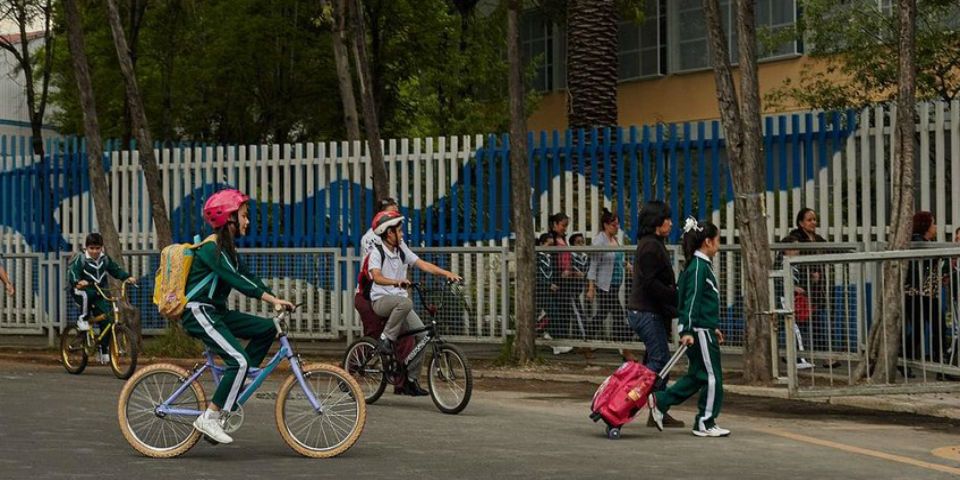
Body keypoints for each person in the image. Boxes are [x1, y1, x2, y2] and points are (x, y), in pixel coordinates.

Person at [182, 189, 296, 445]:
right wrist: (271, 300)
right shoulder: (211, 248)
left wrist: (274, 297)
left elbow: (247, 276)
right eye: (243, 216)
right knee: (239, 359)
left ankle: (236, 381)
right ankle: (209, 417)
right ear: (228, 218)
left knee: (267, 329)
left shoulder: (226, 249)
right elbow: (238, 281)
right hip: (198, 311)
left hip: (216, 312)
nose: (247, 221)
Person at [649, 217, 730, 437]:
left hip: (703, 329)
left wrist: (712, 326)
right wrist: (686, 329)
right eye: (717, 240)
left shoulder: (699, 266)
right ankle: (705, 421)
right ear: (707, 242)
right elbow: (691, 300)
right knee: (713, 378)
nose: (719, 244)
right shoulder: (698, 267)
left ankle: (661, 400)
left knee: (697, 376)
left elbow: (700, 302)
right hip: (699, 332)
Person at [368, 210, 461, 396]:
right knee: (406, 302)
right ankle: (386, 339)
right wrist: (396, 282)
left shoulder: (402, 249)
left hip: (400, 303)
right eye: (400, 231)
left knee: (424, 335)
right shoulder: (376, 252)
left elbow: (422, 264)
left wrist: (446, 273)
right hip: (381, 301)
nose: (402, 234)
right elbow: (376, 277)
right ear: (389, 233)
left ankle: (411, 380)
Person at [625, 201, 685, 428]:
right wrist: (674, 296)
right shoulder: (650, 246)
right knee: (660, 360)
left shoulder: (653, 243)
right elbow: (651, 284)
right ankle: (630, 396)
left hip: (650, 312)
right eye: (666, 219)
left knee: (655, 359)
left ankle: (657, 409)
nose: (670, 223)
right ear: (655, 222)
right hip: (646, 313)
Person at [68, 233, 136, 364]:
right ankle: (82, 319)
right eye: (91, 248)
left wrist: (127, 277)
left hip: (99, 292)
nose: (94, 251)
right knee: (86, 295)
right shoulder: (81, 259)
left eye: (97, 248)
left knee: (108, 320)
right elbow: (73, 272)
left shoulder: (104, 259)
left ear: (102, 248)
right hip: (81, 290)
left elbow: (115, 270)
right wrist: (78, 281)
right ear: (86, 248)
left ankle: (104, 350)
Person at [781, 208, 836, 367]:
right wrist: (800, 282)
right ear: (801, 223)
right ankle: (795, 355)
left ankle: (824, 357)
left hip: (818, 290)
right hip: (802, 290)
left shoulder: (818, 239)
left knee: (819, 322)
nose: (813, 222)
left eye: (814, 219)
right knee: (801, 325)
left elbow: (831, 251)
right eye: (809, 220)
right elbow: (788, 261)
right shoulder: (794, 239)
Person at [904, 211, 945, 367]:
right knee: (938, 327)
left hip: (923, 293)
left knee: (918, 329)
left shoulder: (922, 242)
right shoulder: (918, 243)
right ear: (926, 226)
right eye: (933, 223)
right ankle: (941, 362)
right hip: (921, 294)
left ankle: (903, 357)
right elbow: (920, 269)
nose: (935, 227)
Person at [356, 197, 400, 336]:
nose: (395, 217)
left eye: (396, 214)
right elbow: (375, 273)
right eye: (391, 214)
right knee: (375, 338)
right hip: (371, 294)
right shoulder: (372, 238)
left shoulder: (397, 237)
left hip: (389, 294)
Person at [547, 212, 575, 354]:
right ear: (555, 225)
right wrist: (555, 277)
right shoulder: (551, 239)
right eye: (563, 225)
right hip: (557, 278)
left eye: (566, 226)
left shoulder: (563, 238)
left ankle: (562, 339)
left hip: (566, 278)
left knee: (566, 309)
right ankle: (556, 339)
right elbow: (551, 259)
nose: (565, 228)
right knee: (559, 309)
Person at [568, 233, 590, 340]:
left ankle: (579, 339)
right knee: (578, 314)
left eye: (582, 242)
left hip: (579, 290)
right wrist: (574, 273)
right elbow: (568, 269)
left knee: (575, 313)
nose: (581, 244)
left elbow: (588, 272)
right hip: (570, 291)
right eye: (578, 242)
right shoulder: (570, 256)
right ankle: (583, 339)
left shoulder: (585, 257)